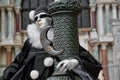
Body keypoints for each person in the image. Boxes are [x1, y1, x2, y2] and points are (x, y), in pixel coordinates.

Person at [0, 5, 103, 80]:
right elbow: (17, 64)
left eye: (42, 16)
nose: (39, 19)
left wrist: (75, 62)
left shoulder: (61, 37)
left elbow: (87, 59)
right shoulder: (30, 43)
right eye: (36, 18)